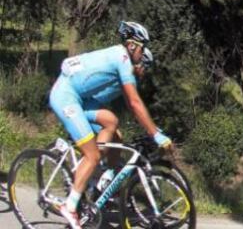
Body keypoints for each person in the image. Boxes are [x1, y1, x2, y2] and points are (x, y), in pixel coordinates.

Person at [48, 21, 166, 229]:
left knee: (113, 125)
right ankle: (70, 206)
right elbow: (135, 103)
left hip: (81, 100)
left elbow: (123, 105)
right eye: (142, 48)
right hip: (66, 96)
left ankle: (100, 176)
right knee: (92, 155)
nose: (143, 54)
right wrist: (155, 133)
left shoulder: (121, 63)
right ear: (132, 46)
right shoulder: (121, 59)